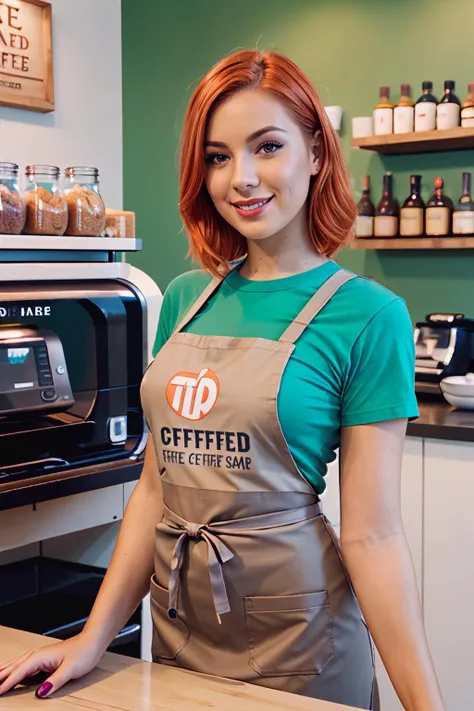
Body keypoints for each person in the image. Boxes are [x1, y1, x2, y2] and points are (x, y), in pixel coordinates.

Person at [0, 50, 445, 711]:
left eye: (267, 146)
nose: (242, 178)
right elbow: (156, 488)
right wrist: (93, 639)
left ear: (317, 153)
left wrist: (425, 704)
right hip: (184, 632)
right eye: (217, 156)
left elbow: (371, 536)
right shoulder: (183, 299)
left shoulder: (368, 315)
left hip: (305, 643)